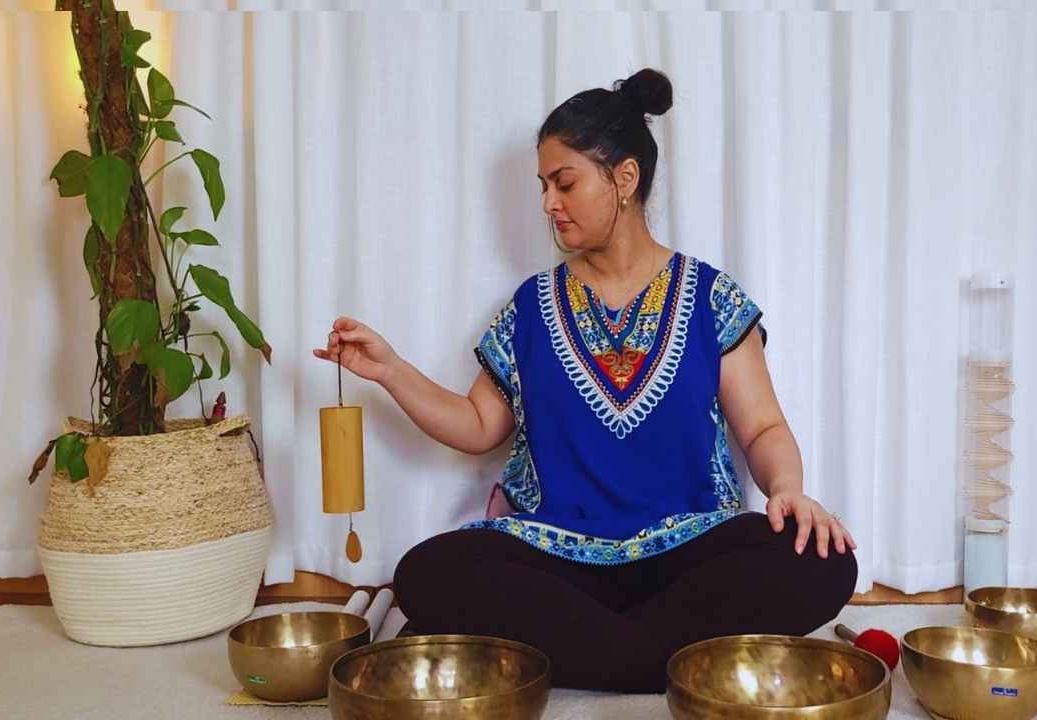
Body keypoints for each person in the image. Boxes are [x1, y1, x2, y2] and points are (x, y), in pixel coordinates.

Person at [313, 68, 857, 694]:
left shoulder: (711, 297)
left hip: (686, 553)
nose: (548, 203)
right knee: (428, 571)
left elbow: (761, 428)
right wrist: (391, 370)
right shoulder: (532, 303)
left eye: (564, 182)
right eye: (544, 185)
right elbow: (479, 424)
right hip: (559, 555)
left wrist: (788, 491)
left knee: (823, 560)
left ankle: (584, 650)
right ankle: (670, 662)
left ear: (624, 178)